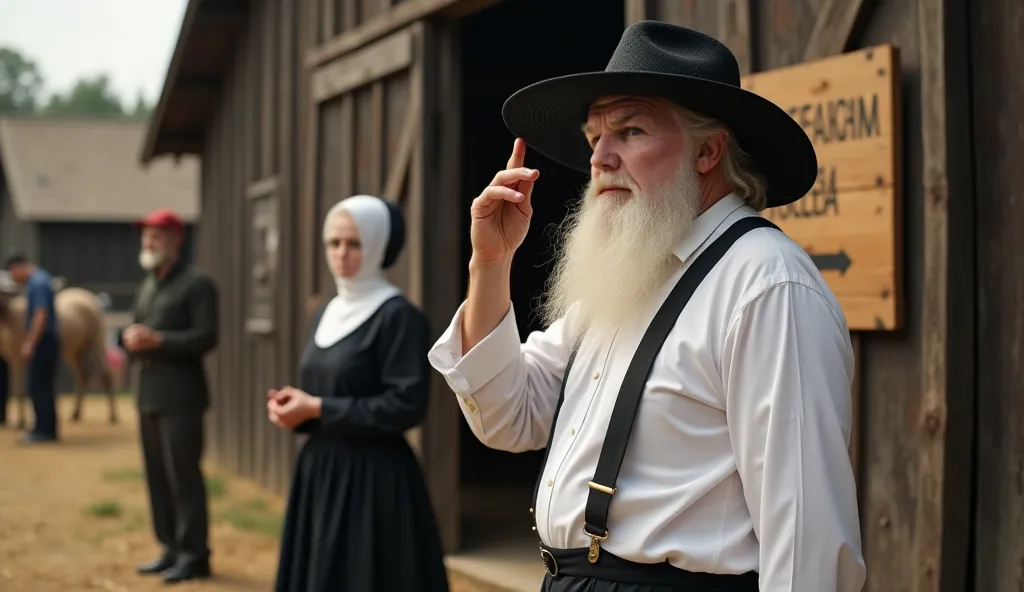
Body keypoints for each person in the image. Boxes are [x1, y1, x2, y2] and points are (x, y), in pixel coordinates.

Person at [427, 21, 865, 592]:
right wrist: (490, 265)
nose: (600, 158)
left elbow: (808, 542)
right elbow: (511, 416)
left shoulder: (765, 284)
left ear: (709, 151)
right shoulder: (627, 277)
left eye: (630, 131)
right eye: (594, 139)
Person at [268, 194, 450, 592]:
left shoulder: (399, 316)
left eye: (355, 243)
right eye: (334, 243)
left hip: (374, 481)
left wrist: (317, 407)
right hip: (321, 470)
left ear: (379, 246)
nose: (342, 254)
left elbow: (406, 405)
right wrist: (295, 407)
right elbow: (328, 386)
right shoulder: (325, 311)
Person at [118, 208, 218, 584]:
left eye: (156, 236)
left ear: (176, 242)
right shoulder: (148, 284)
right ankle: (169, 547)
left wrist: (159, 340)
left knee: (183, 478)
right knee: (156, 477)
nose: (148, 242)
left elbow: (207, 337)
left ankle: (195, 555)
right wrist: (126, 339)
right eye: (145, 236)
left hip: (182, 397)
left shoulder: (197, 284)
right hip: (148, 395)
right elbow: (133, 327)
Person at [4, 253, 60, 444]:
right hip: (45, 340)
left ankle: (44, 430)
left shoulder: (37, 283)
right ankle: (44, 427)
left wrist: (29, 342)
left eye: (13, 273)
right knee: (42, 385)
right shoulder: (41, 280)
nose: (14, 278)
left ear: (19, 267)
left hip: (43, 341)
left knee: (39, 386)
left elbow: (40, 314)